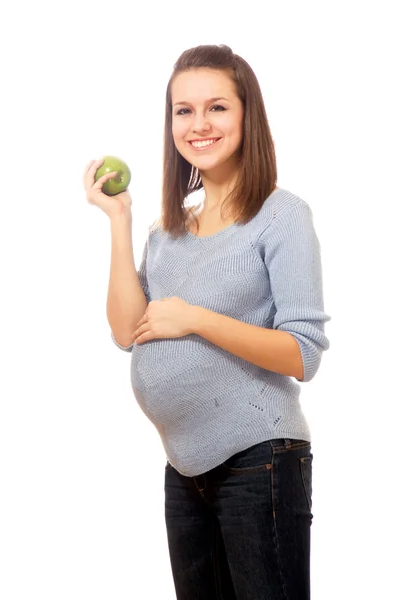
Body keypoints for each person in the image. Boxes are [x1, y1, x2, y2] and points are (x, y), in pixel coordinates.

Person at [83, 44, 330, 600]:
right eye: (183, 110)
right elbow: (127, 331)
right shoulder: (166, 230)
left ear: (247, 115)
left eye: (217, 107)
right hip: (184, 470)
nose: (199, 125)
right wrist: (119, 221)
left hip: (260, 460)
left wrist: (196, 319)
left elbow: (303, 353)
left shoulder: (281, 215)